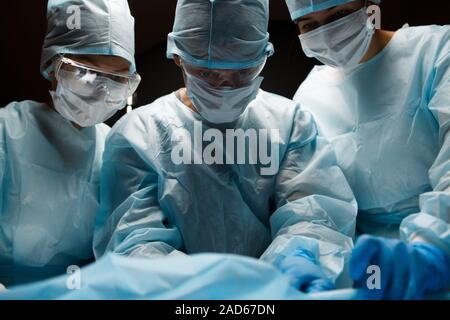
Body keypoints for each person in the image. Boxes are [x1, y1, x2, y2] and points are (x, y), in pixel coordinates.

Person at [93, 0, 358, 293]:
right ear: (178, 56)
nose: (226, 88)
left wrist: (299, 257)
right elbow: (133, 241)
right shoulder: (138, 134)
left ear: (264, 55)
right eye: (207, 74)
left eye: (243, 72)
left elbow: (313, 214)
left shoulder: (290, 122)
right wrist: (202, 288)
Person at [285, 0, 450, 298]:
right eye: (309, 25)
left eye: (339, 15)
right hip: (368, 267)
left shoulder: (437, 51)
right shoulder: (307, 99)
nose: (327, 33)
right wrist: (309, 253)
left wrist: (434, 249)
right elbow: (319, 203)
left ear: (370, 5)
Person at [0, 0, 140, 287]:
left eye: (116, 79)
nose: (101, 90)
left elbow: (123, 244)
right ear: (53, 64)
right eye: (86, 72)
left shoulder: (115, 148)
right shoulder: (6, 132)